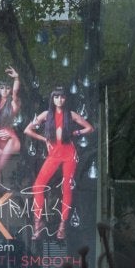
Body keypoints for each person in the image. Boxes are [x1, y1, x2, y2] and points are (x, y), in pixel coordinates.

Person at [24, 87, 93, 239]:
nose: (59, 100)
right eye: (56, 97)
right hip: (53, 155)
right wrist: (45, 139)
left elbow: (89, 128)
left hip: (69, 154)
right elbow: (27, 130)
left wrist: (77, 132)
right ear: (52, 99)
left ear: (65, 99)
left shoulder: (71, 114)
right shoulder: (46, 115)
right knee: (38, 186)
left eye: (62, 97)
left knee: (66, 188)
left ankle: (62, 225)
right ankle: (38, 222)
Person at [0, 67, 22, 192]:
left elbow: (16, 93)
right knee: (0, 166)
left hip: (11, 139)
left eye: (7, 88)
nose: (4, 91)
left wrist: (16, 78)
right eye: (2, 88)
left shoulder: (13, 103)